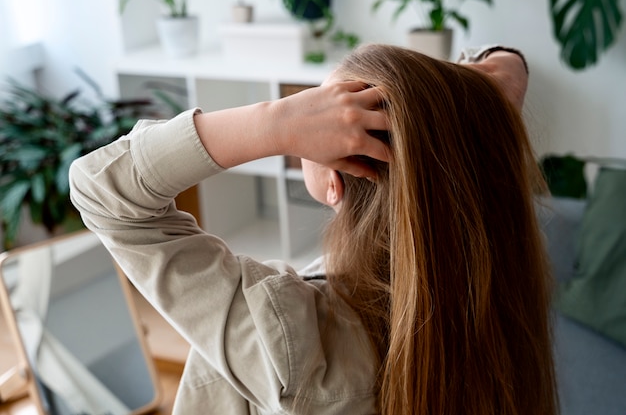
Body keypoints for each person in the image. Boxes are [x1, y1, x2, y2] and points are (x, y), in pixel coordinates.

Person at [69, 43, 558, 415]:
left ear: (332, 183)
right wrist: (485, 84)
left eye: (319, 111)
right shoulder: (501, 296)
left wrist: (274, 121)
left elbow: (99, 188)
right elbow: (510, 67)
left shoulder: (292, 340)